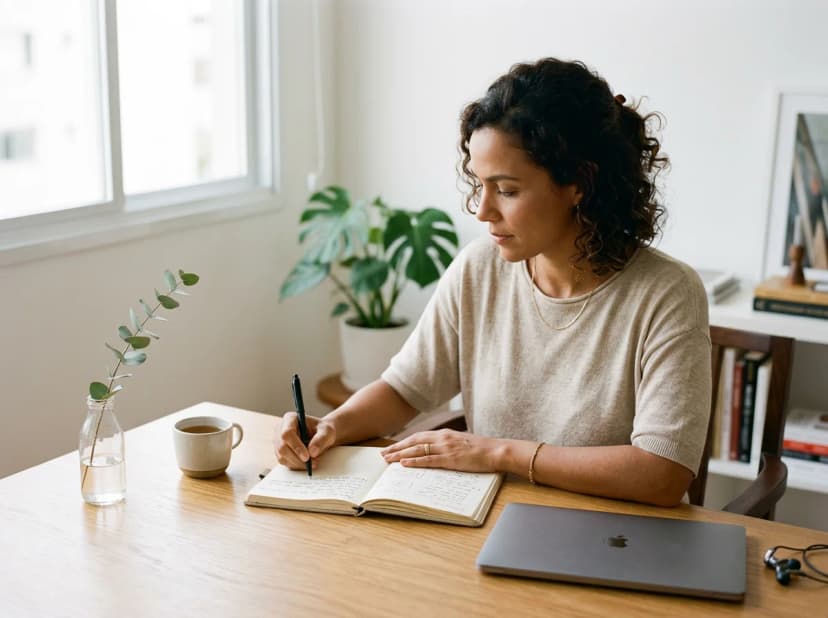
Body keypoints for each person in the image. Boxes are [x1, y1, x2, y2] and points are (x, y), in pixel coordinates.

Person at [274, 57, 711, 507]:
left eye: (506, 190)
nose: (482, 211)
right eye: (479, 184)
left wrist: (500, 453)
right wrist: (333, 426)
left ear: (579, 183)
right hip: (481, 519)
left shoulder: (668, 293)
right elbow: (406, 389)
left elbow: (663, 474)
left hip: (609, 536)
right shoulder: (480, 267)